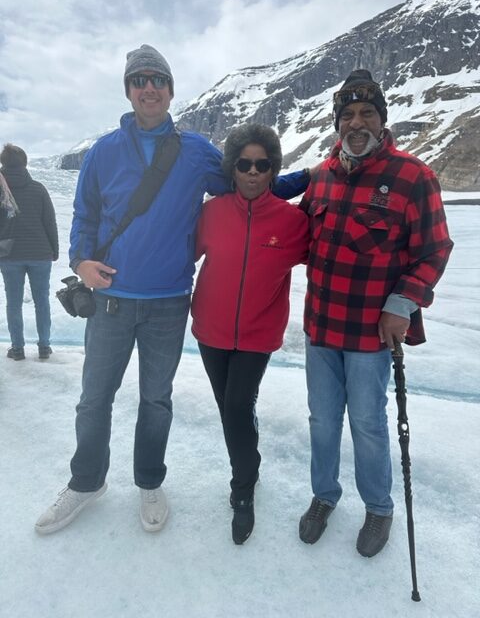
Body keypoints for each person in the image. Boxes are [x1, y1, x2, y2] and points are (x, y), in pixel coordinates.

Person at [35, 45, 310, 535]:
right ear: (128, 90)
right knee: (94, 398)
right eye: (139, 80)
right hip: (112, 299)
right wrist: (80, 260)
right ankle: (85, 481)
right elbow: (85, 215)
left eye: (157, 79)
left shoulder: (196, 150)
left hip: (167, 303)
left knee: (156, 400)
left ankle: (149, 480)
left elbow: (247, 184)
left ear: (170, 90)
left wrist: (311, 177)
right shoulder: (102, 151)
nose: (148, 88)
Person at [298, 69, 453, 557]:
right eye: (348, 115)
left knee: (367, 422)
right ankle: (324, 496)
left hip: (370, 334)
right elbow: (294, 236)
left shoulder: (414, 176)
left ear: (383, 121)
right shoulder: (321, 176)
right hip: (320, 326)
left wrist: (401, 305)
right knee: (322, 420)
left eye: (367, 113)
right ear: (337, 124)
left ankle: (379, 508)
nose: (357, 123)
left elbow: (434, 250)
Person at [191, 124, 309, 544]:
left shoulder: (294, 221)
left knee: (238, 405)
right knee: (230, 408)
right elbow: (179, 255)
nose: (253, 172)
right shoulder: (212, 213)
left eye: (263, 164)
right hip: (210, 330)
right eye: (245, 164)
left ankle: (243, 488)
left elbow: (330, 257)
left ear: (274, 168)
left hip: (258, 335)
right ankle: (249, 466)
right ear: (233, 168)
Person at [0, 144, 58, 361]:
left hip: (9, 255)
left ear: (3, 163)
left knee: (13, 302)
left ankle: (17, 349)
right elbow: (49, 222)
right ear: (24, 163)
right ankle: (44, 347)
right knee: (42, 301)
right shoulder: (38, 188)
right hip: (40, 253)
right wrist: (54, 250)